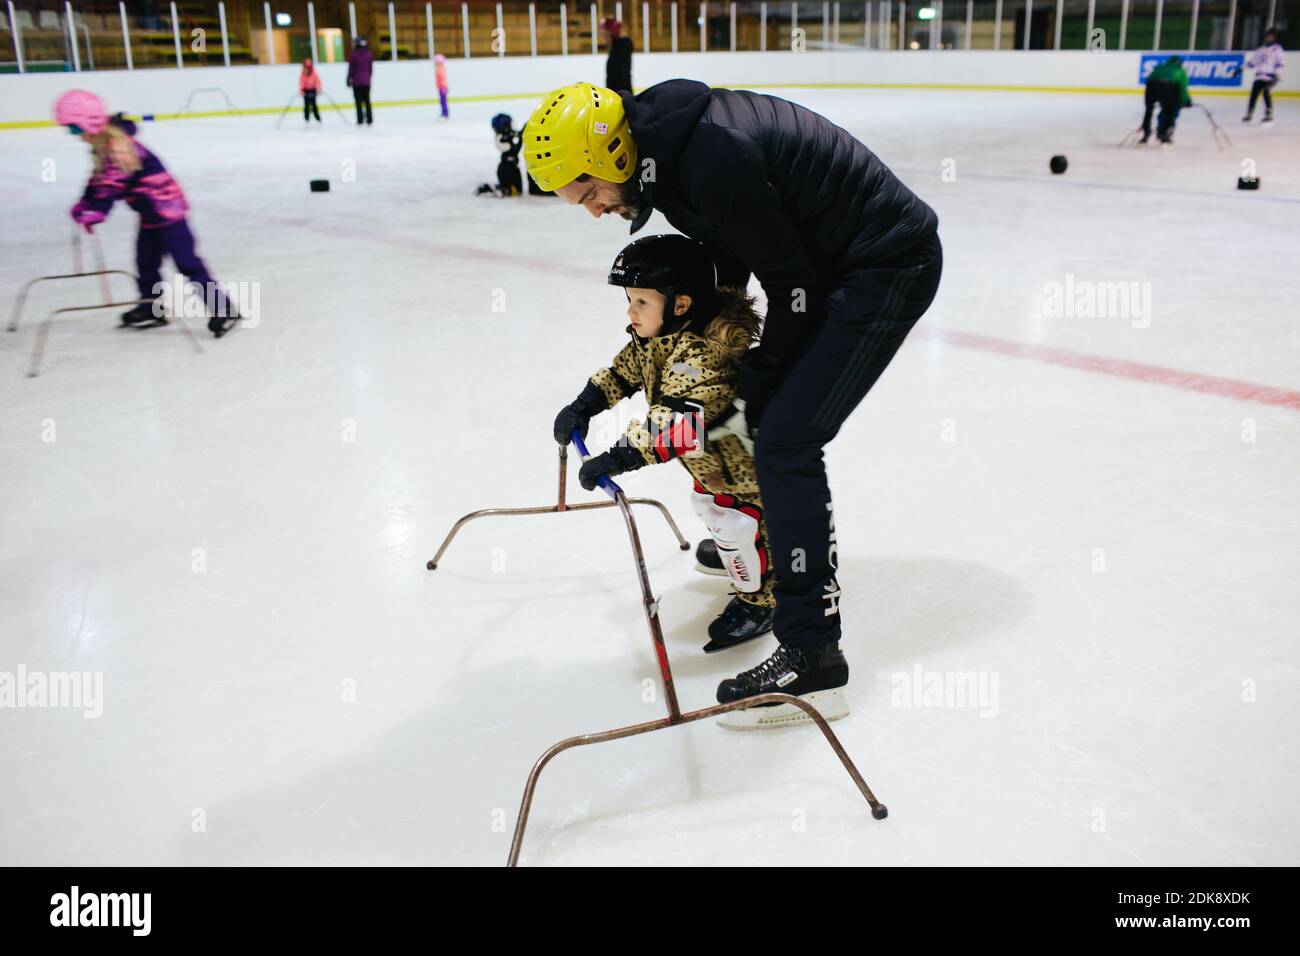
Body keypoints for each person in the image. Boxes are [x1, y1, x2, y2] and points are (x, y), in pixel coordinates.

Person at [523, 82, 942, 728]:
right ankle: (761, 526)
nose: (595, 211)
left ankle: (813, 655)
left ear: (609, 158)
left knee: (784, 436)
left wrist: (762, 372)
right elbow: (733, 254)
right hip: (830, 262)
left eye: (588, 194)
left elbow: (793, 283)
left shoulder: (707, 157)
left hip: (887, 264)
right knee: (748, 405)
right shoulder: (666, 153)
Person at [554, 235, 779, 661]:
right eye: (630, 299)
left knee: (738, 522)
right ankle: (747, 552)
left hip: (742, 468)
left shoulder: (701, 357)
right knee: (709, 505)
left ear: (680, 304)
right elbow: (624, 371)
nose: (630, 311)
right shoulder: (658, 338)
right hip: (711, 466)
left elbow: (673, 428)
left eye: (641, 301)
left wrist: (616, 458)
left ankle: (762, 601)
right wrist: (584, 405)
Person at [53, 89, 240, 338]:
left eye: (75, 129)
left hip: (168, 212)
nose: (75, 136)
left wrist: (96, 211)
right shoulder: (103, 145)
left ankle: (224, 308)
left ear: (90, 122)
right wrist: (86, 203)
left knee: (187, 263)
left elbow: (112, 183)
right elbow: (98, 180)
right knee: (146, 262)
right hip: (151, 214)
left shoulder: (119, 146)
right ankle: (151, 307)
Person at [1141, 55, 1191, 145]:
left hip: (1151, 87)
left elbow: (1148, 80)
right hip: (1166, 88)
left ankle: (1146, 133)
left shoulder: (1160, 67)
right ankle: (1163, 133)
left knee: (1149, 111)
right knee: (1169, 111)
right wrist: (1185, 101)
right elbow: (1183, 88)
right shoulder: (1180, 71)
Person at [1243, 28, 1283, 125]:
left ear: (1274, 37)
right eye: (1268, 36)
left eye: (1271, 36)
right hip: (1259, 76)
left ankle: (1268, 114)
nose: (1269, 38)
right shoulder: (1261, 49)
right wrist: (1241, 69)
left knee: (1266, 92)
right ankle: (1249, 113)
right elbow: (1253, 62)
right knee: (1254, 94)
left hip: (1270, 76)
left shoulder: (1277, 49)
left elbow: (1279, 62)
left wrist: (1277, 74)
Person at [476, 114, 523, 197]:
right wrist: (522, 137)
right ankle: (493, 189)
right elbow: (515, 149)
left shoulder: (504, 136)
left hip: (510, 167)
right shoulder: (501, 139)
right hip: (508, 170)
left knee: (517, 190)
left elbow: (515, 134)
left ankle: (499, 188)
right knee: (515, 191)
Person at [347, 36, 374, 126]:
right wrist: (368, 78)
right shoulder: (369, 54)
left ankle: (360, 119)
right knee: (367, 100)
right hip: (366, 81)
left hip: (357, 82)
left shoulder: (353, 54)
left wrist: (348, 78)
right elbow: (370, 69)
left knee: (358, 102)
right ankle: (369, 119)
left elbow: (351, 68)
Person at [602, 17, 632, 93]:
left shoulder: (622, 46)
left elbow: (622, 75)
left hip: (620, 94)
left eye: (605, 34)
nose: (603, 37)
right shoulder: (617, 46)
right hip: (617, 93)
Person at [299, 57, 322, 123]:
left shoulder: (313, 71)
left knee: (314, 104)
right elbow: (301, 81)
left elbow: (317, 80)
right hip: (306, 90)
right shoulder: (303, 72)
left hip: (313, 89)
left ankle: (317, 117)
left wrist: (319, 88)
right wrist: (301, 90)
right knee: (306, 104)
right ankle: (307, 118)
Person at [435, 53, 450, 119]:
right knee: (442, 101)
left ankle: (445, 114)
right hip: (441, 87)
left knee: (443, 101)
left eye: (436, 62)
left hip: (443, 87)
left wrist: (444, 87)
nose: (435, 63)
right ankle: (443, 113)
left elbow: (443, 78)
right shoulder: (439, 68)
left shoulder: (440, 69)